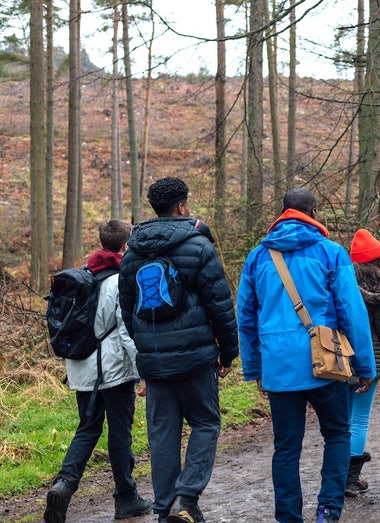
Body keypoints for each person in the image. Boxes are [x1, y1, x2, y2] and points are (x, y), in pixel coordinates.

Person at [237, 189, 375, 523]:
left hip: (279, 365)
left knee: (286, 448)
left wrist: (254, 368)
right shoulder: (332, 253)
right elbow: (352, 311)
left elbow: (245, 316)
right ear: (313, 212)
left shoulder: (257, 257)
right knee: (338, 434)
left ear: (282, 213)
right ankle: (328, 509)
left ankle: (288, 517)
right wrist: (365, 365)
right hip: (325, 363)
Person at [118, 176, 239, 523]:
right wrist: (228, 352)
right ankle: (185, 499)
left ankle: (164, 508)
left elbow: (128, 312)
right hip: (196, 357)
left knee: (162, 435)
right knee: (205, 422)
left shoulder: (132, 254)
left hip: (154, 362)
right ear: (182, 206)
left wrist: (146, 351)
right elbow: (220, 304)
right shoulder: (199, 246)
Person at [45, 220, 152, 523]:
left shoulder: (83, 276)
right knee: (120, 434)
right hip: (114, 372)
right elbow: (126, 333)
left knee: (88, 429)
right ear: (126, 245)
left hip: (81, 369)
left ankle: (64, 485)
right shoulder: (119, 281)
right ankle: (126, 498)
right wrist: (141, 371)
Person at [347, 228, 380, 496]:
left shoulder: (340, 282)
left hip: (340, 358)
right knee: (359, 419)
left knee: (342, 419)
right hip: (370, 358)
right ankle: (351, 479)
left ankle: (336, 473)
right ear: (377, 259)